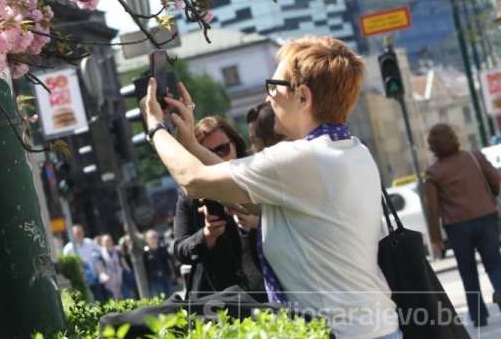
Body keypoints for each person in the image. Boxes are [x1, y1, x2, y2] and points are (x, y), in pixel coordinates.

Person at [141, 36, 401, 339]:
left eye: (273, 87)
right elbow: (241, 193)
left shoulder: (300, 160)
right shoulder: (351, 150)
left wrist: (156, 129)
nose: (268, 99)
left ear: (303, 97)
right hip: (375, 328)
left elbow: (193, 180)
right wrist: (187, 140)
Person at [172, 116, 265, 300]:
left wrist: (258, 223)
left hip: (266, 295)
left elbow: (293, 227)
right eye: (205, 152)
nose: (215, 157)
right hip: (217, 301)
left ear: (236, 146)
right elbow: (180, 249)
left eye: (222, 149)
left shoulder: (258, 179)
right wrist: (207, 236)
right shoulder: (191, 194)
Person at [425, 123, 501, 327]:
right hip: (486, 217)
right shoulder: (474, 157)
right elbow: (496, 180)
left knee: (467, 271)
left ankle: (478, 315)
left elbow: (433, 210)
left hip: (457, 227)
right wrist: (488, 196)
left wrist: (436, 239)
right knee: (495, 264)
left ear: (432, 146)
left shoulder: (433, 173)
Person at [63, 224, 110, 302]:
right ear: (72, 234)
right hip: (80, 282)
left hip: (94, 279)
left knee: (100, 300)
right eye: (77, 233)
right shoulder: (68, 248)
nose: (79, 234)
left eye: (81, 232)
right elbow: (65, 264)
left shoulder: (89, 242)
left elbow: (102, 251)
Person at [143, 229, 177, 298]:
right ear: (147, 240)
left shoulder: (163, 249)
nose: (154, 239)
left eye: (155, 237)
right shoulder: (145, 253)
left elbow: (170, 262)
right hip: (155, 279)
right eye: (151, 237)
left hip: (166, 276)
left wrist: (174, 274)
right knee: (161, 297)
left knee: (170, 295)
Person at [99, 234, 125, 300]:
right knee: (113, 298)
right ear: (102, 243)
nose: (108, 242)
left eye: (109, 240)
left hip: (120, 276)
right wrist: (104, 276)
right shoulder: (100, 254)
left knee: (124, 295)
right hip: (109, 280)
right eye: (106, 241)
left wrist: (128, 271)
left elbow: (123, 263)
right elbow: (100, 268)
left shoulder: (117, 251)